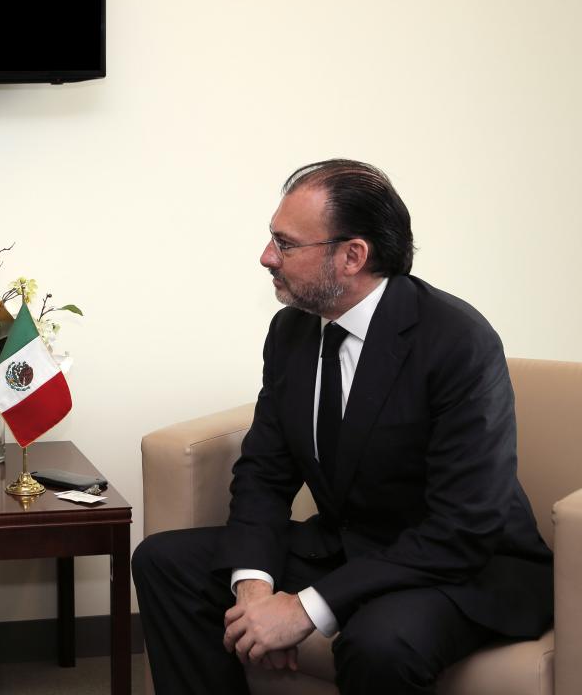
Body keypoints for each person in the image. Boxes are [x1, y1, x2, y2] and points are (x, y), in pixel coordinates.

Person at [133, 159, 553, 694]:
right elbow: (264, 472)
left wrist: (306, 608)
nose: (266, 258)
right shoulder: (292, 332)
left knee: (380, 642)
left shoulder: (456, 341)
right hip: (348, 546)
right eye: (271, 239)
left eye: (285, 245)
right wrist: (255, 589)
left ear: (353, 255)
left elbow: (464, 527)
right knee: (164, 562)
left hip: (463, 566)